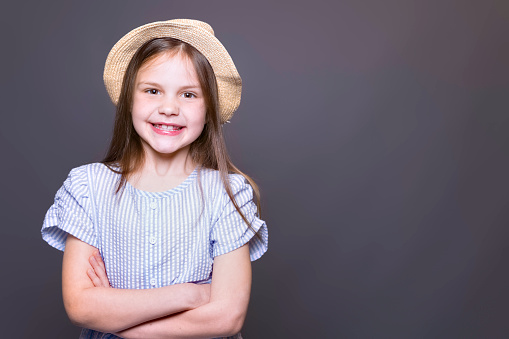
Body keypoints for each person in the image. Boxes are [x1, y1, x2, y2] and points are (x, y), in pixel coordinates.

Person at [41, 19, 268, 339]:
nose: (169, 108)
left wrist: (121, 321)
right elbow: (82, 307)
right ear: (130, 99)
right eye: (152, 90)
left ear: (208, 109)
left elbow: (227, 317)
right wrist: (189, 295)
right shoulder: (87, 187)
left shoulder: (228, 193)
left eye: (189, 95)